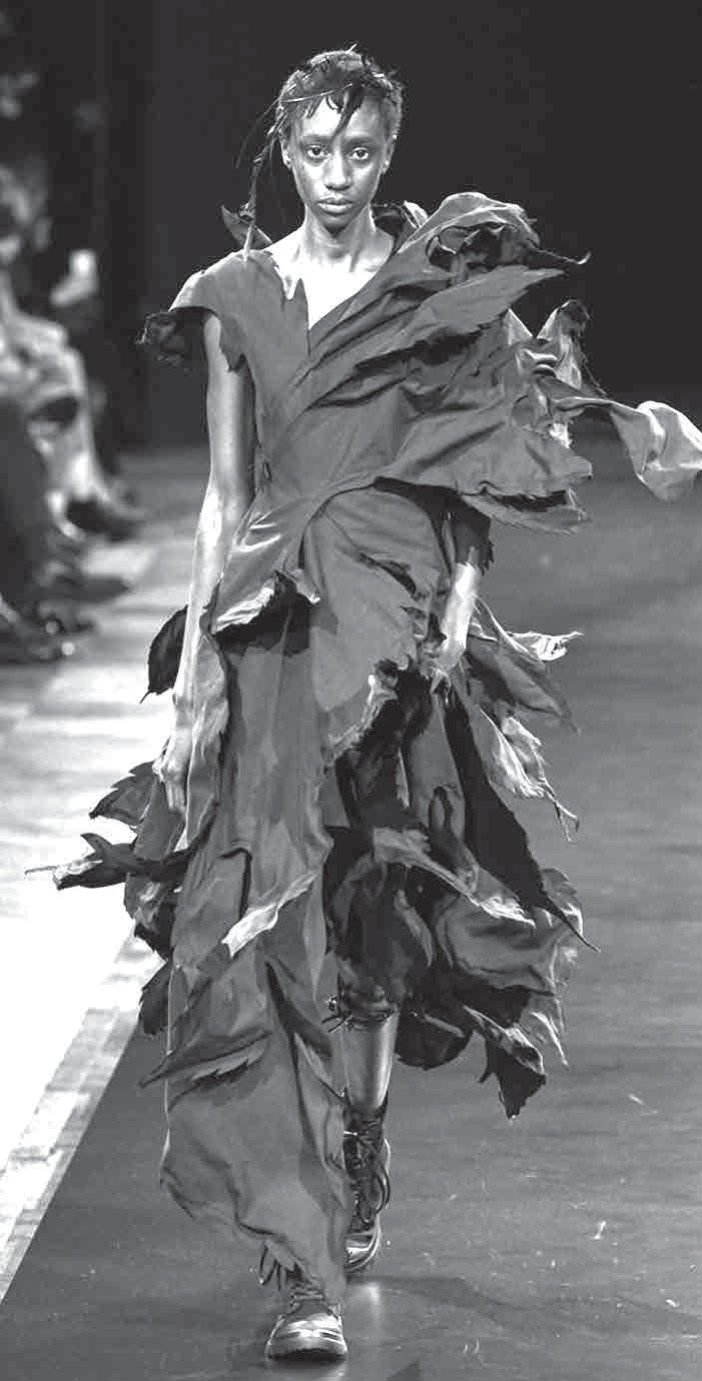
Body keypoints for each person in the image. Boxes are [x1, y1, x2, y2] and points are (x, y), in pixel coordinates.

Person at [54, 49, 702, 1364]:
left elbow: (495, 433)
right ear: (284, 148)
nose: (336, 175)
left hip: (400, 635)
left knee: (372, 911)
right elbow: (224, 495)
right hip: (273, 631)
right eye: (315, 151)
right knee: (264, 927)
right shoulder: (235, 295)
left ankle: (360, 1132)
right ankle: (296, 1261)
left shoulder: (432, 285)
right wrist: (194, 678)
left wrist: (616, 438)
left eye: (358, 152)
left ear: (387, 151)